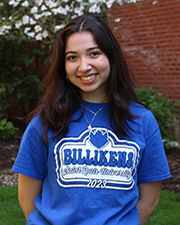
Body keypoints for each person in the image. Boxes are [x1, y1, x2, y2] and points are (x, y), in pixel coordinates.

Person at [12, 15, 171, 225]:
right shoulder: (46, 120)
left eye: (94, 54)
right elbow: (26, 197)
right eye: (72, 57)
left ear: (111, 56)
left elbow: (149, 199)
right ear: (63, 66)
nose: (84, 66)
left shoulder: (142, 120)